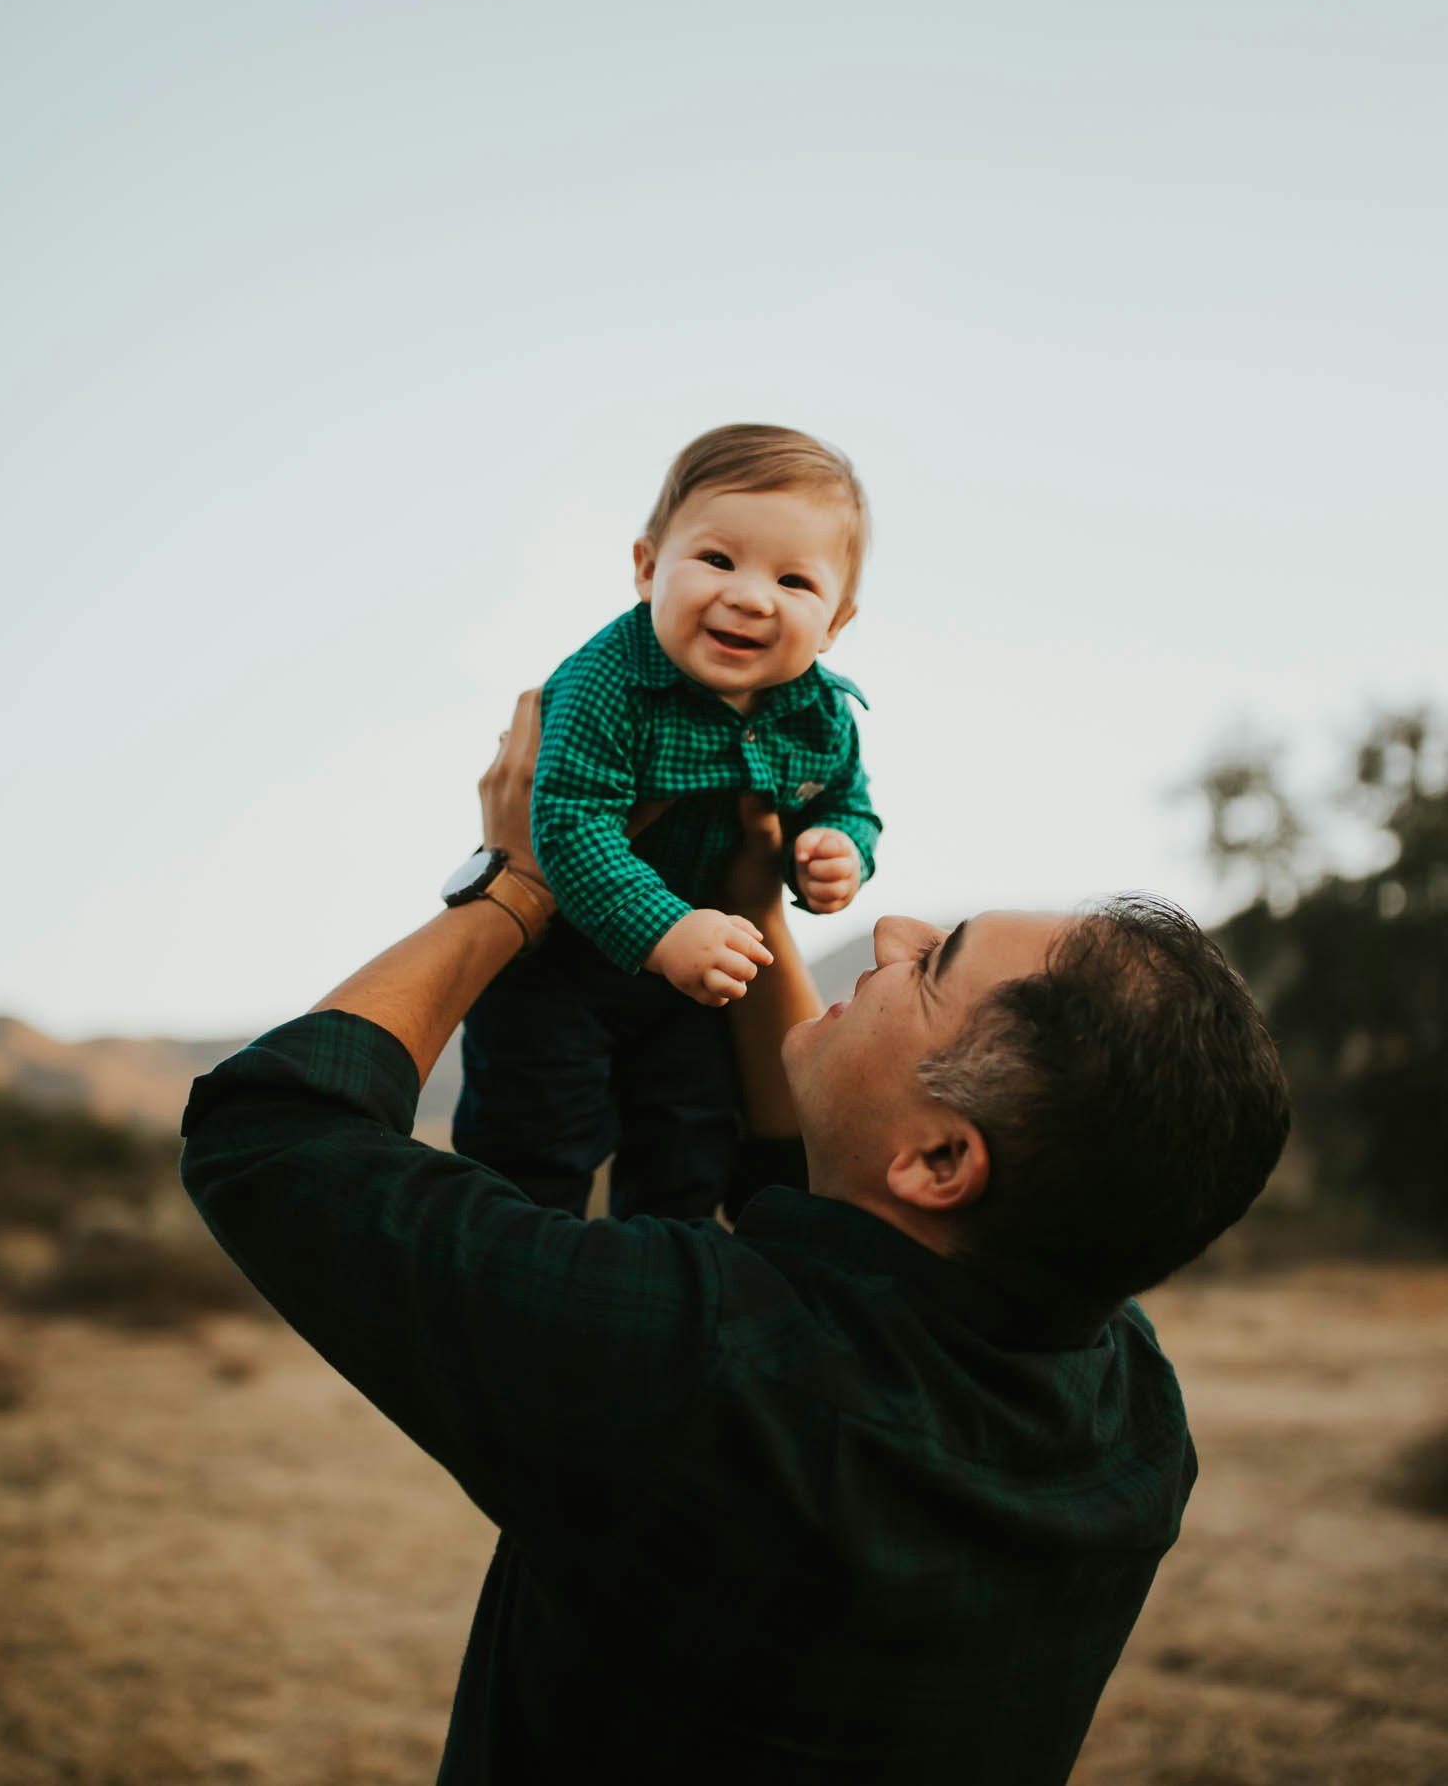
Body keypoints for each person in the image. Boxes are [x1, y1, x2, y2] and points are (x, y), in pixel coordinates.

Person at [181, 691, 1290, 1786]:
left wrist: (515, 883)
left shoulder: (701, 1361)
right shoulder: (1133, 1415)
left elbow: (271, 1137)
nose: (893, 931)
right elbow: (829, 1194)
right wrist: (751, 904)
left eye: (938, 963)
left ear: (945, 1163)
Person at [452, 423, 881, 1220]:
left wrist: (836, 852)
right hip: (561, 966)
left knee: (687, 1142)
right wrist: (663, 931)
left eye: (794, 581)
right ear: (649, 569)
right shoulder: (605, 684)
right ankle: (514, 1280)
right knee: (537, 1143)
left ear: (836, 622)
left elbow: (843, 804)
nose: (750, 595)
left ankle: (659, 1283)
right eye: (717, 560)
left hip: (696, 982)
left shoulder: (821, 713)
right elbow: (572, 827)